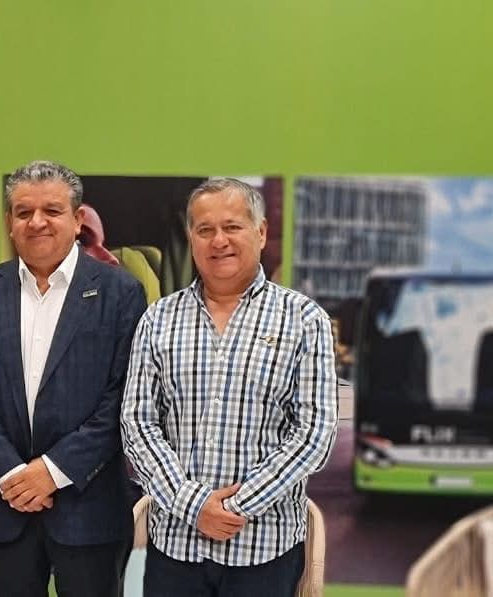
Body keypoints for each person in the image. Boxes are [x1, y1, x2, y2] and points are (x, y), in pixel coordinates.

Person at [121, 177, 338, 597]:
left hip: (265, 548)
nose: (218, 240)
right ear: (191, 239)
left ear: (261, 232)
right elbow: (138, 424)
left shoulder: (303, 319)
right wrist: (193, 505)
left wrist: (237, 507)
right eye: (205, 230)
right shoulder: (158, 319)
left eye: (232, 226)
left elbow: (314, 434)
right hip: (175, 547)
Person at [0, 160, 147, 596]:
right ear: (10, 222)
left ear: (77, 220)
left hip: (89, 509)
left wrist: (53, 471)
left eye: (52, 210)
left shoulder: (121, 292)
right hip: (2, 508)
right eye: (24, 212)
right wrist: (10, 474)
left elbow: (123, 397)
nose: (36, 221)